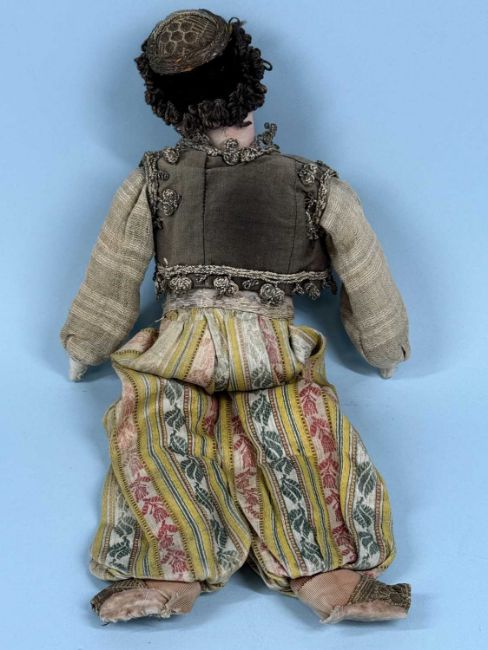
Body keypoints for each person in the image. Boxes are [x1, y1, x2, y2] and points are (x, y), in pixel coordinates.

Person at [60, 9, 411, 625]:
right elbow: (365, 272)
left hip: (196, 346)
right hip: (258, 348)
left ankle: (311, 574)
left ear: (166, 103)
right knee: (277, 435)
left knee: (182, 434)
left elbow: (112, 274)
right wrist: (384, 348)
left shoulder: (174, 178)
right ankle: (186, 571)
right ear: (251, 79)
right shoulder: (307, 181)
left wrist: (84, 346)